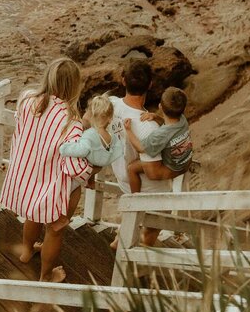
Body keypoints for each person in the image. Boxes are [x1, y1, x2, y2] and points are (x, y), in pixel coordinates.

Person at [0, 57, 91, 282]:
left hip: (27, 179)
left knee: (33, 213)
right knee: (55, 229)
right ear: (73, 86)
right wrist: (91, 170)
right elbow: (74, 168)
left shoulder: (27, 99)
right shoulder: (71, 122)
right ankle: (46, 276)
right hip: (52, 186)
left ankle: (27, 251)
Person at [106, 58, 163, 248]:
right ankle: (142, 253)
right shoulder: (148, 127)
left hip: (122, 177)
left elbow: (89, 121)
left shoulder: (110, 105)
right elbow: (153, 171)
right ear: (150, 84)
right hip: (144, 187)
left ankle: (120, 237)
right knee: (158, 220)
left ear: (123, 80)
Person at [125, 87, 193, 193]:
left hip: (173, 169)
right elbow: (169, 126)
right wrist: (156, 117)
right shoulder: (182, 119)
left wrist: (128, 131)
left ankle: (135, 199)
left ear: (160, 106)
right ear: (183, 109)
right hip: (186, 162)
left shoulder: (160, 135)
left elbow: (141, 148)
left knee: (131, 168)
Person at [59, 93, 125, 171]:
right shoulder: (111, 136)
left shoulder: (90, 134)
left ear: (92, 115)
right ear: (109, 118)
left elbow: (82, 150)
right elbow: (119, 149)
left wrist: (64, 148)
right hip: (100, 163)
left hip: (89, 163)